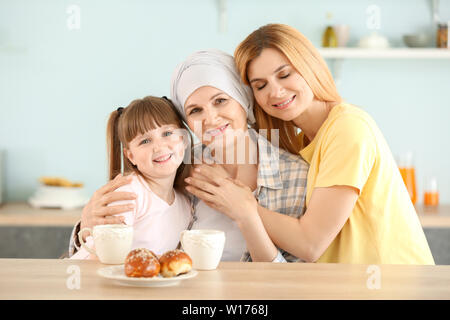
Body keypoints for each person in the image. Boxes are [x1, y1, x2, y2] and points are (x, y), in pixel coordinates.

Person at [194, 23, 433, 264]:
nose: (275, 92)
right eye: (260, 85)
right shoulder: (300, 143)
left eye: (284, 74)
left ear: (309, 65)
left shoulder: (348, 128)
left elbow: (310, 243)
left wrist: (243, 207)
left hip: (394, 286)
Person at [68, 49, 309, 262]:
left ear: (243, 100)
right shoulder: (179, 165)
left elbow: (291, 280)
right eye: (195, 110)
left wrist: (247, 213)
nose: (211, 118)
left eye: (221, 100)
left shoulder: (294, 174)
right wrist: (87, 224)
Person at [70, 96, 192, 259]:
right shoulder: (129, 194)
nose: (159, 146)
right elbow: (100, 255)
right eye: (145, 141)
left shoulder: (185, 203)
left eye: (167, 133)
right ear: (130, 156)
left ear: (183, 139)